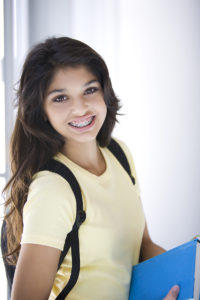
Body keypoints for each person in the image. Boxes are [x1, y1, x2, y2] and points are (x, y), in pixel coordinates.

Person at [3, 36, 179, 300]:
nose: (80, 108)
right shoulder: (53, 189)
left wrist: (185, 274)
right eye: (60, 98)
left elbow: (143, 247)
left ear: (104, 92)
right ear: (41, 111)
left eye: (90, 90)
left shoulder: (119, 153)